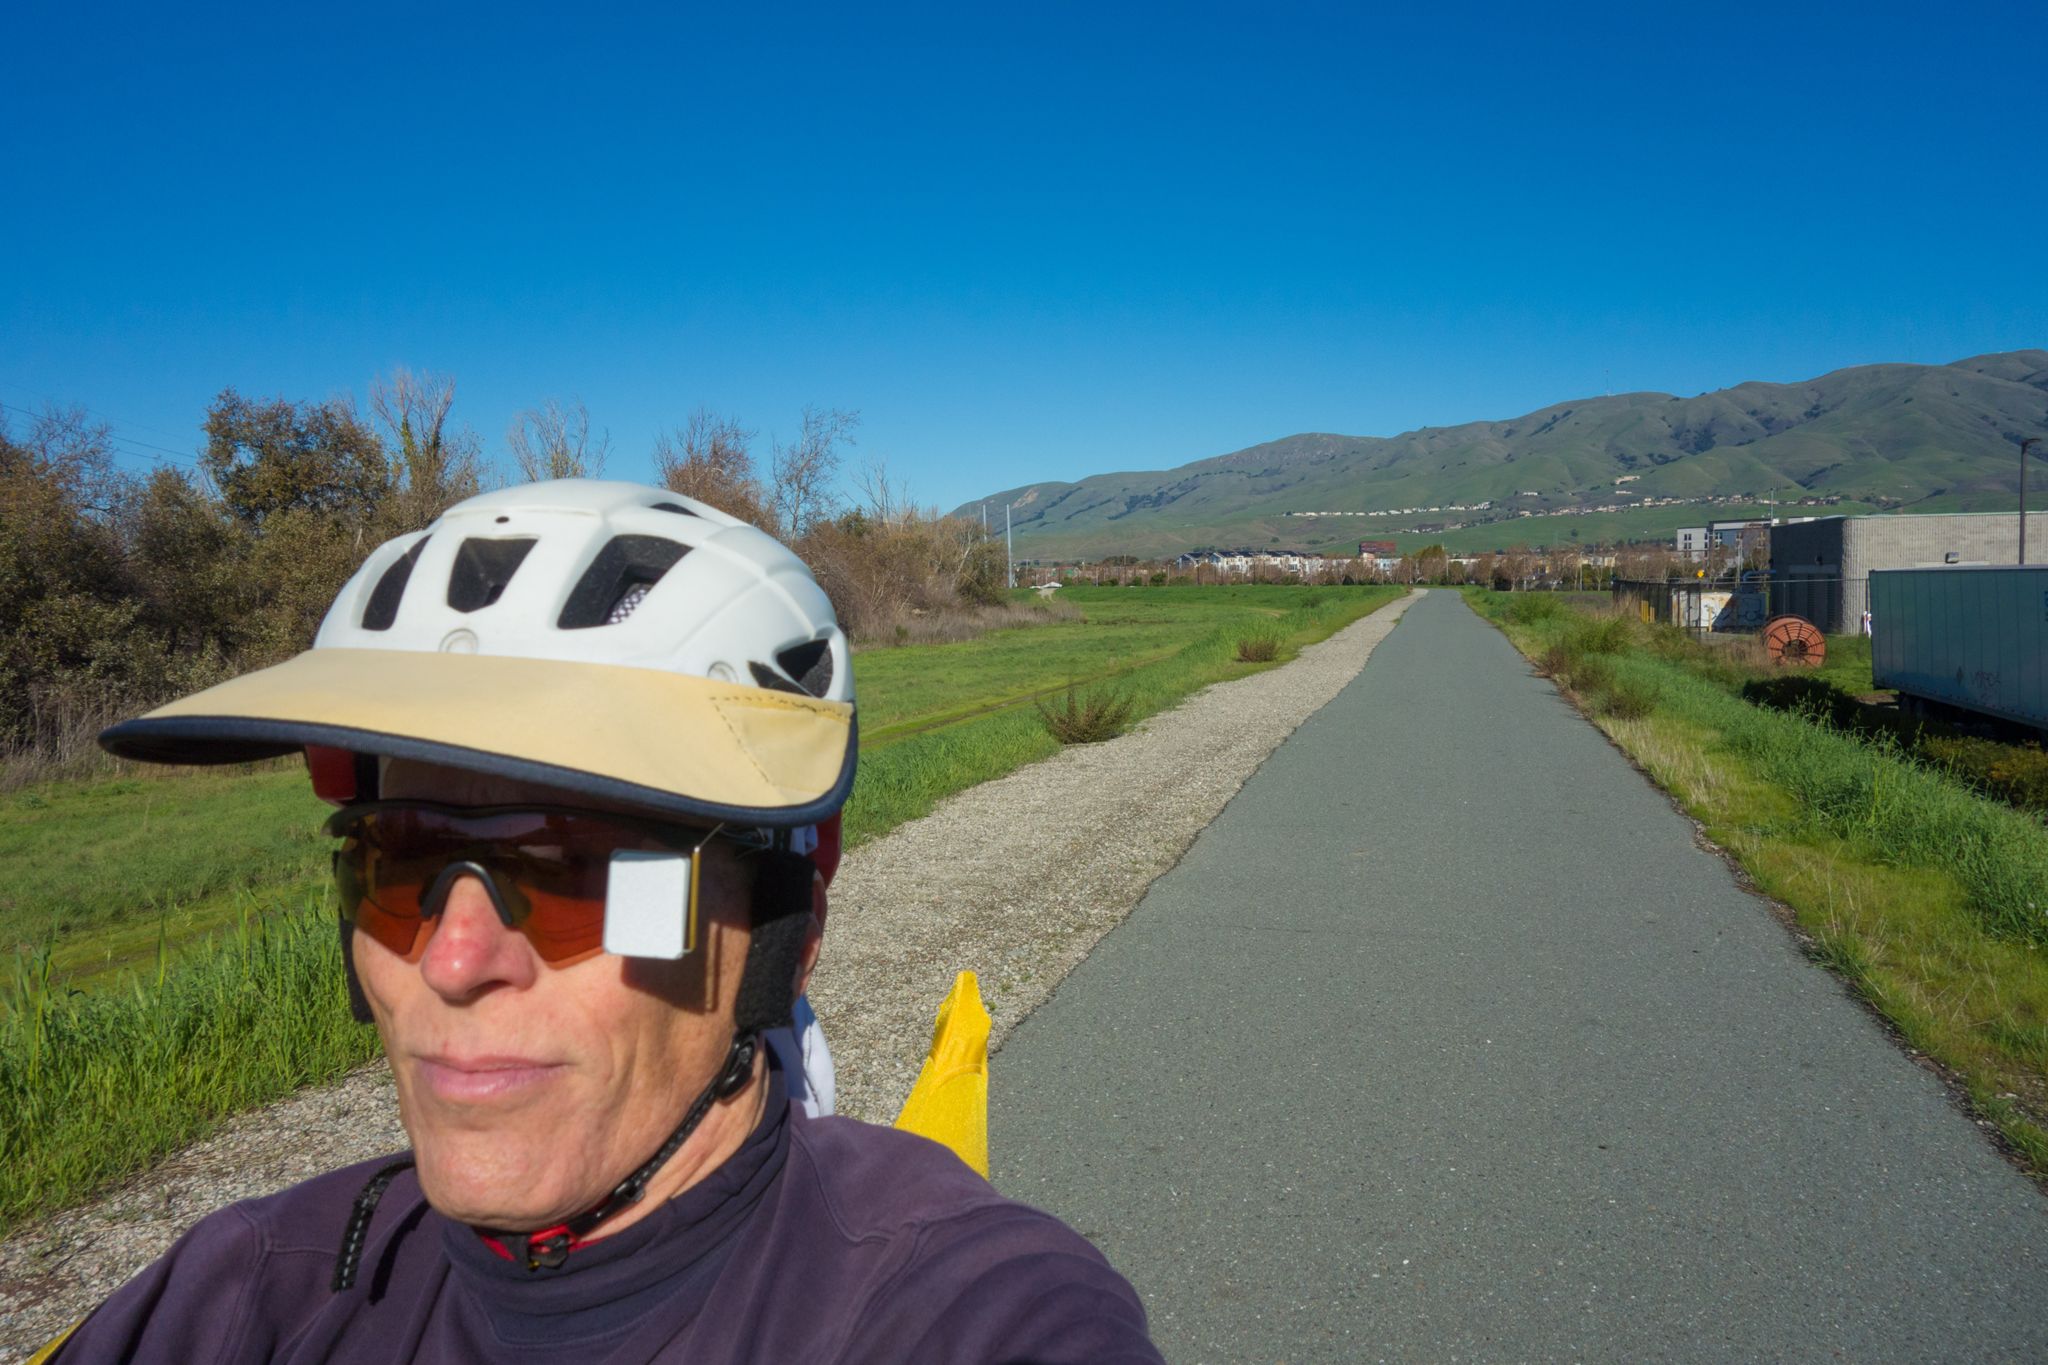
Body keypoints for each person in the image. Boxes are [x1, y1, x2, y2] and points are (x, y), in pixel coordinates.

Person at [53, 480, 1160, 1363]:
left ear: (784, 933)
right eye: (400, 862)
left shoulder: (948, 1303)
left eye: (577, 868)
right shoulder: (248, 1291)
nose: (451, 962)